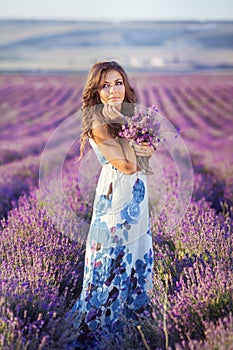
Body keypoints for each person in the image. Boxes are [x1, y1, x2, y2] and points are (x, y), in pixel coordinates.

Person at [70, 61, 154, 347]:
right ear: (97, 91)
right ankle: (104, 328)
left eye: (118, 82)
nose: (113, 89)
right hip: (115, 200)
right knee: (113, 260)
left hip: (137, 198)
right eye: (105, 85)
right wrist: (132, 134)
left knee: (135, 254)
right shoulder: (97, 122)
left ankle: (134, 323)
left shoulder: (127, 116)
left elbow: (140, 158)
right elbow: (126, 165)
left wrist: (147, 146)